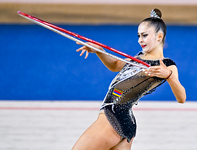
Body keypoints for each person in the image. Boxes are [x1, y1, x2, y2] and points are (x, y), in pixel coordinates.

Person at [72, 8, 186, 150]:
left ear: (159, 36)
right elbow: (115, 65)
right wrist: (99, 51)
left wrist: (168, 75)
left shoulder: (166, 64)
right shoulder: (138, 58)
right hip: (124, 121)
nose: (140, 40)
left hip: (113, 116)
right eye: (138, 36)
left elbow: (181, 97)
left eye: (144, 35)